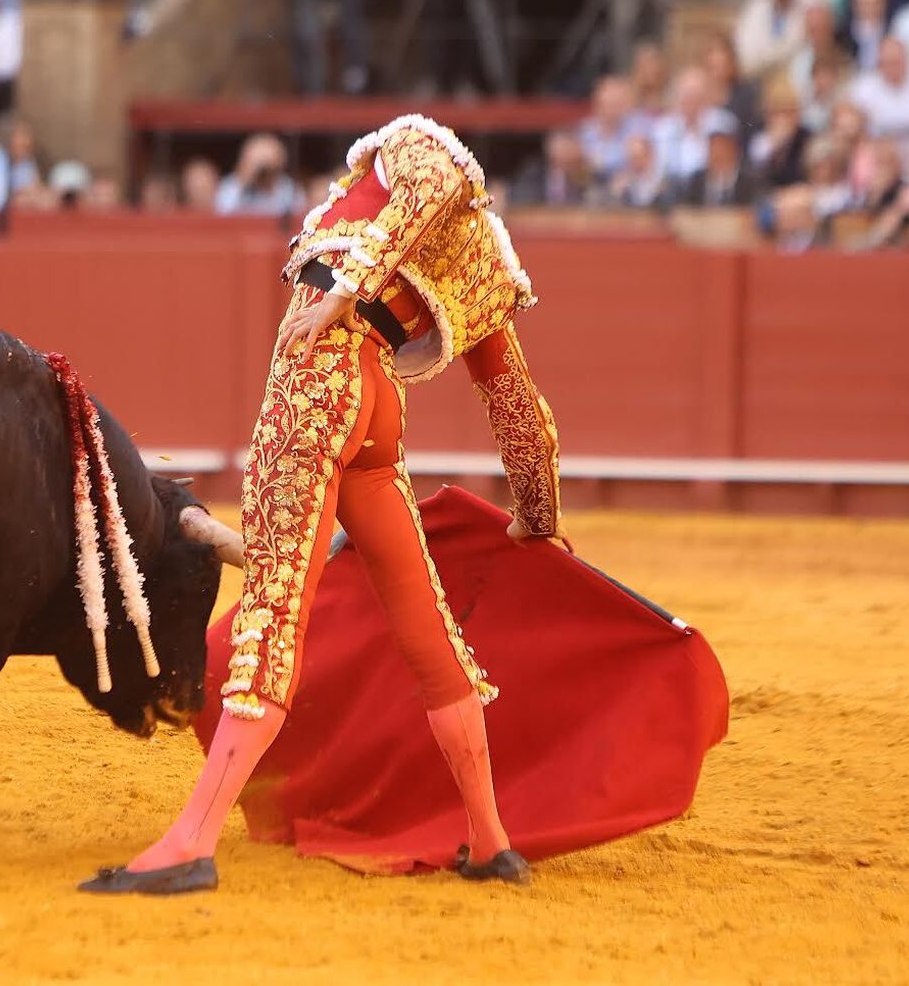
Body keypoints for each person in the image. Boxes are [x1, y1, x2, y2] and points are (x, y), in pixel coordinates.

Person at [82, 115, 562, 894]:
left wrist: (348, 290)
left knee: (273, 610)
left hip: (317, 380)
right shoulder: (483, 268)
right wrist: (537, 517)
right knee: (429, 634)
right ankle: (491, 840)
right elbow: (517, 407)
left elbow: (434, 184)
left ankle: (190, 845)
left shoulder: (415, 148)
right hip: (377, 412)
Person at [849, 35, 909, 138]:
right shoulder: (863, 88)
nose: (892, 68)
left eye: (896, 62)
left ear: (907, 61)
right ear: (879, 65)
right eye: (887, 63)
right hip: (877, 146)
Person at [734, 0, 811, 81]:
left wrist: (767, 57)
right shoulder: (757, 3)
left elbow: (798, 45)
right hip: (757, 77)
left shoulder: (811, 1)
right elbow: (744, 49)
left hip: (798, 78)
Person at [577, 74, 647, 180]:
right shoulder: (585, 131)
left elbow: (641, 164)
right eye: (607, 104)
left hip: (627, 187)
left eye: (616, 104)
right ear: (597, 103)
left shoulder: (637, 128)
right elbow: (581, 168)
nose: (611, 110)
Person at [214, 132, 298, 216]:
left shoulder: (288, 187)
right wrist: (246, 180)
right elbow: (221, 212)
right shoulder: (231, 185)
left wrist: (270, 186)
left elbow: (299, 217)